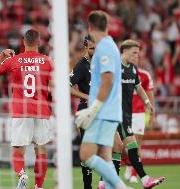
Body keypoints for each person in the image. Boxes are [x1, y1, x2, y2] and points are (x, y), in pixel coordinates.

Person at [0, 29, 53, 189]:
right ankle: (39, 186)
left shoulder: (15, 60)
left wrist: (2, 55)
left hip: (21, 110)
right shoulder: (47, 61)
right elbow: (54, 85)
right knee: (41, 150)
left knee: (18, 150)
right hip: (42, 111)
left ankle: (22, 175)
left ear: (24, 42)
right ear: (39, 42)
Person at [75, 10, 128, 189]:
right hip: (110, 111)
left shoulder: (104, 48)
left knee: (86, 154)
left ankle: (121, 186)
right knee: (105, 157)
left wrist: (94, 109)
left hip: (104, 112)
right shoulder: (110, 45)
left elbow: (107, 79)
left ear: (90, 27)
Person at [109, 39, 165, 189]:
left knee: (117, 148)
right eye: (134, 53)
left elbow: (139, 88)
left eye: (138, 53)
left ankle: (105, 182)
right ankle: (145, 179)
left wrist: (147, 103)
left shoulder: (132, 69)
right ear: (124, 51)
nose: (136, 56)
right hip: (115, 114)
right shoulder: (114, 66)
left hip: (126, 114)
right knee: (131, 146)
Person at [124, 49, 155, 183]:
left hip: (139, 114)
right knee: (125, 146)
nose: (136, 59)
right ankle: (130, 165)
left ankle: (133, 174)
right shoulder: (123, 72)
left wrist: (152, 114)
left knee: (137, 145)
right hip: (124, 113)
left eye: (137, 57)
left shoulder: (145, 75)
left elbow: (150, 95)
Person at [70, 35, 96, 189]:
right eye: (92, 47)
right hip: (86, 111)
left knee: (112, 147)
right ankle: (88, 186)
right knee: (89, 152)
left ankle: (103, 183)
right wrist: (86, 96)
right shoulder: (81, 66)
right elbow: (67, 86)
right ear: (86, 47)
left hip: (100, 111)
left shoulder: (100, 65)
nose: (95, 50)